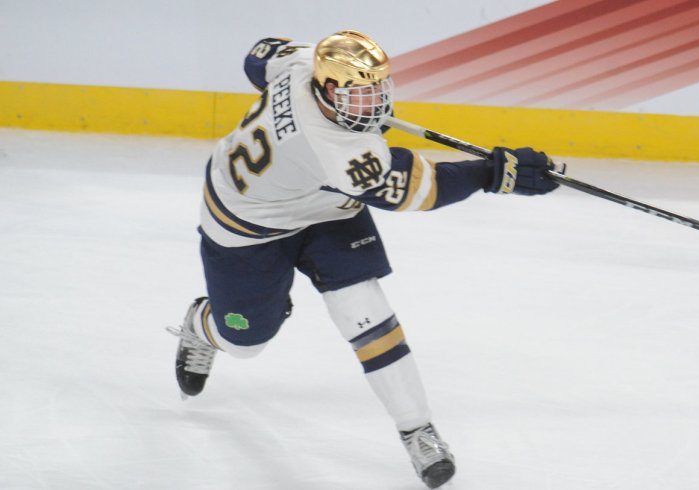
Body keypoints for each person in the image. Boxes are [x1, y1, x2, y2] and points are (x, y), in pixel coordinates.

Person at [167, 30, 561, 489]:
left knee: (366, 312)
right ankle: (202, 324)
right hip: (247, 225)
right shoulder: (339, 150)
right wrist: (493, 173)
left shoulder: (302, 65)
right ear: (328, 89)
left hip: (323, 205)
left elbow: (259, 57)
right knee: (246, 341)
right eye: (359, 94)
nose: (373, 102)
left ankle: (417, 429)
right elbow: (420, 190)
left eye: (376, 89)